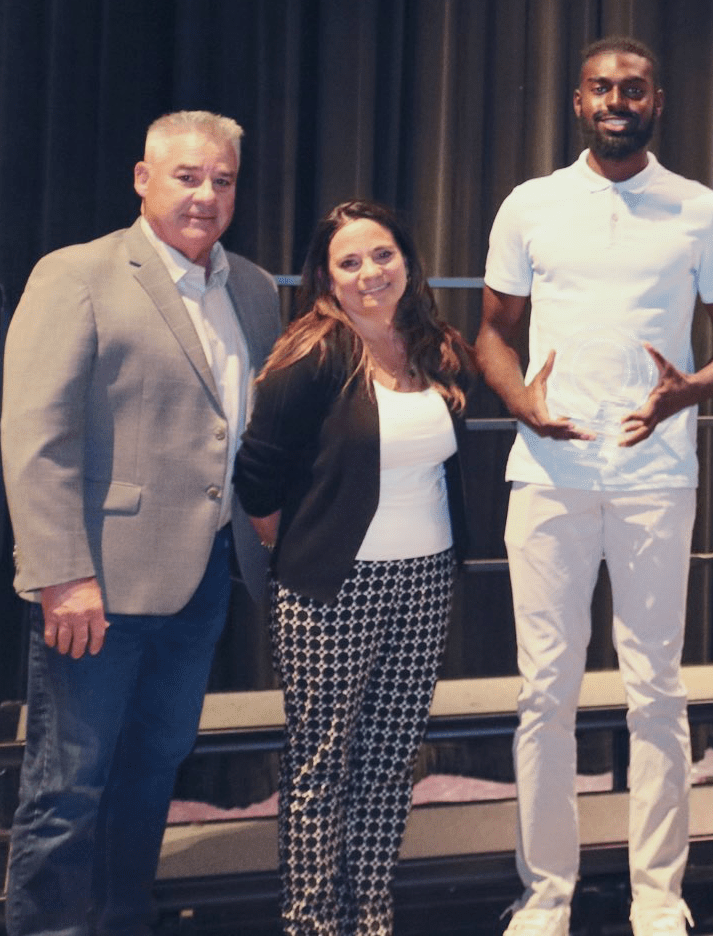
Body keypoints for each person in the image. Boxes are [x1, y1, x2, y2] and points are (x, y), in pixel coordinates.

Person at [477, 36, 713, 936]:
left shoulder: (699, 211)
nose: (617, 100)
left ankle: (659, 897)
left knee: (656, 689)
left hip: (654, 476)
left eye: (633, 89)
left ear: (657, 101)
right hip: (548, 476)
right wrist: (523, 403)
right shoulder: (531, 206)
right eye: (602, 87)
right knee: (543, 692)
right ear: (576, 101)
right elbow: (491, 333)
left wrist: (690, 391)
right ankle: (545, 895)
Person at [0, 110, 282, 935]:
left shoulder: (255, 290)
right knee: (67, 787)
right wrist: (62, 573)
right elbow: (36, 435)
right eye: (187, 176)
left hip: (202, 583)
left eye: (222, 180)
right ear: (143, 178)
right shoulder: (77, 274)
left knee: (154, 769)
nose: (205, 195)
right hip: (96, 587)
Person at [234, 200, 473, 935]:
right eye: (350, 262)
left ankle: (370, 915)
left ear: (406, 260)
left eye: (383, 256)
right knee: (320, 771)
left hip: (425, 580)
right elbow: (258, 479)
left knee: (388, 766)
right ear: (326, 278)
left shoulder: (434, 344)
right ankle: (311, 924)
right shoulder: (313, 356)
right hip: (334, 587)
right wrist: (303, 547)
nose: (370, 272)